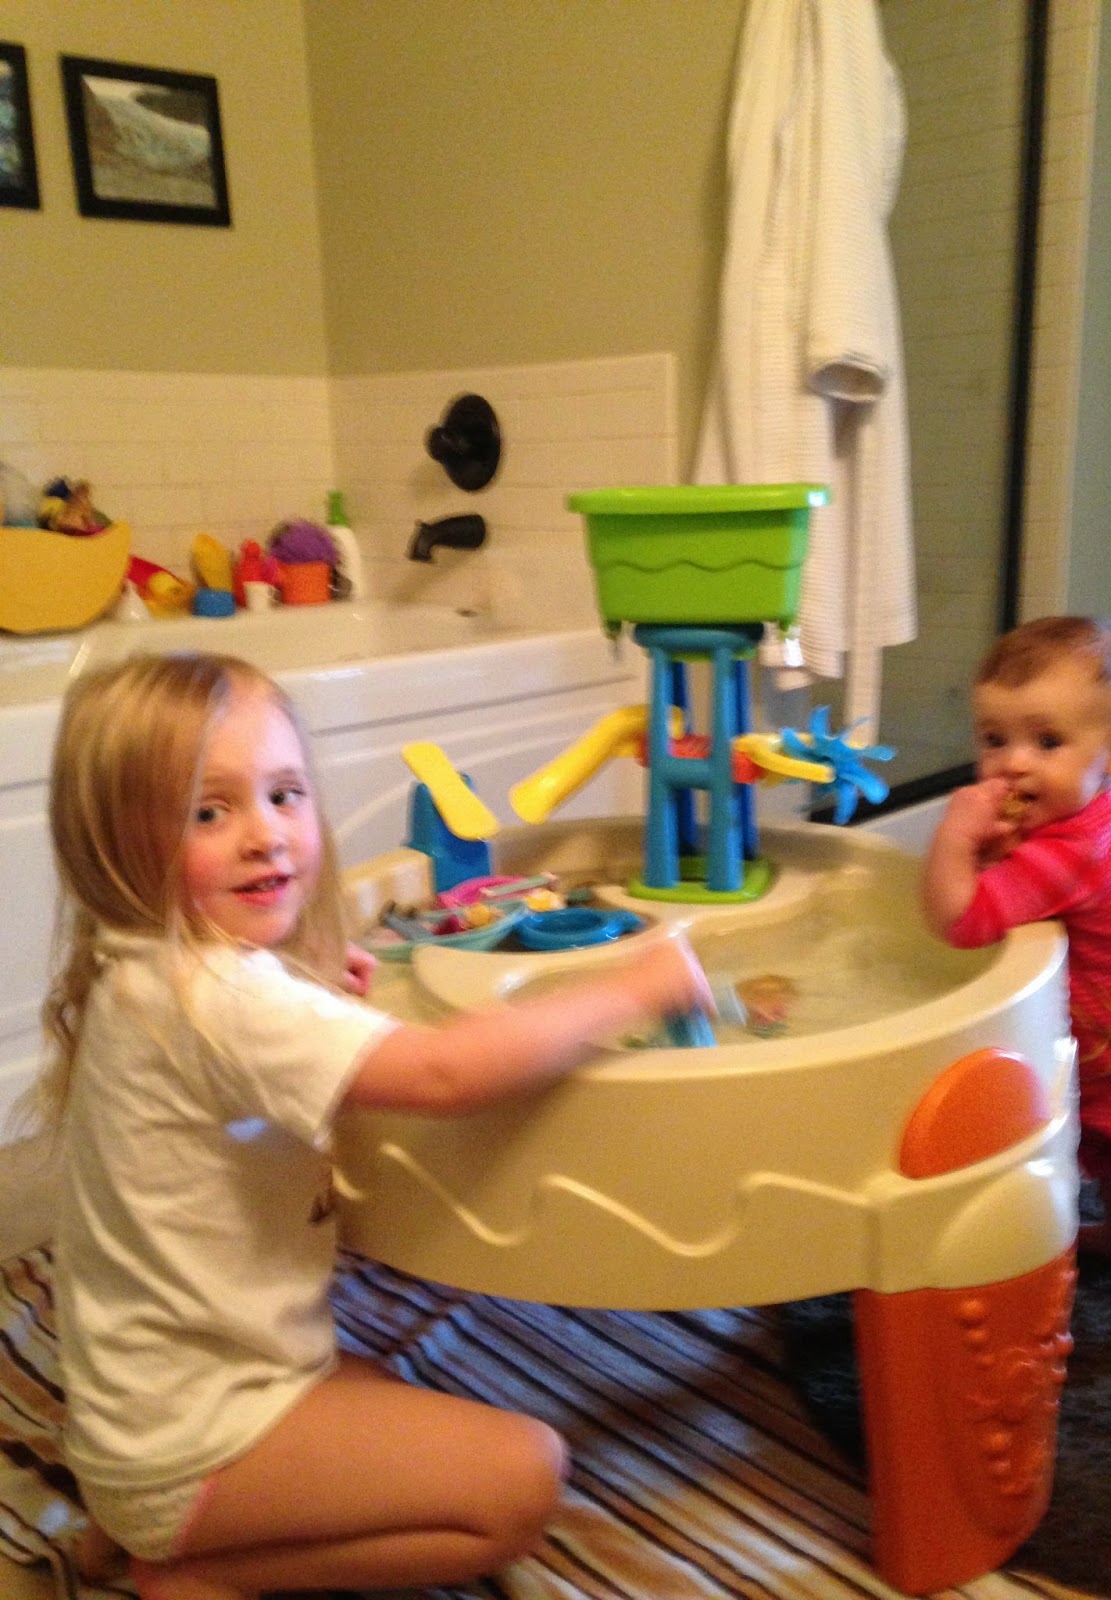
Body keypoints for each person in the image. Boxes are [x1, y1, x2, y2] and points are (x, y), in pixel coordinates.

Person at [36, 651, 714, 1600]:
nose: (265, 836)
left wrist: (310, 988)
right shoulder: (220, 996)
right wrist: (630, 989)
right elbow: (443, 1072)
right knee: (523, 1478)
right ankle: (198, 1570)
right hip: (192, 1439)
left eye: (284, 794)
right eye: (209, 811)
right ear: (118, 846)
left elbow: (251, 1055)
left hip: (153, 1414)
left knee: (399, 1410)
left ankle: (153, 1527)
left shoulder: (148, 970)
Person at [921, 615, 1111, 1361]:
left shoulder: (1079, 848)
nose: (1012, 765)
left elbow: (965, 918)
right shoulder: (1090, 814)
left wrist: (952, 838)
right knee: (1109, 1143)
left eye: (1046, 743)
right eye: (992, 739)